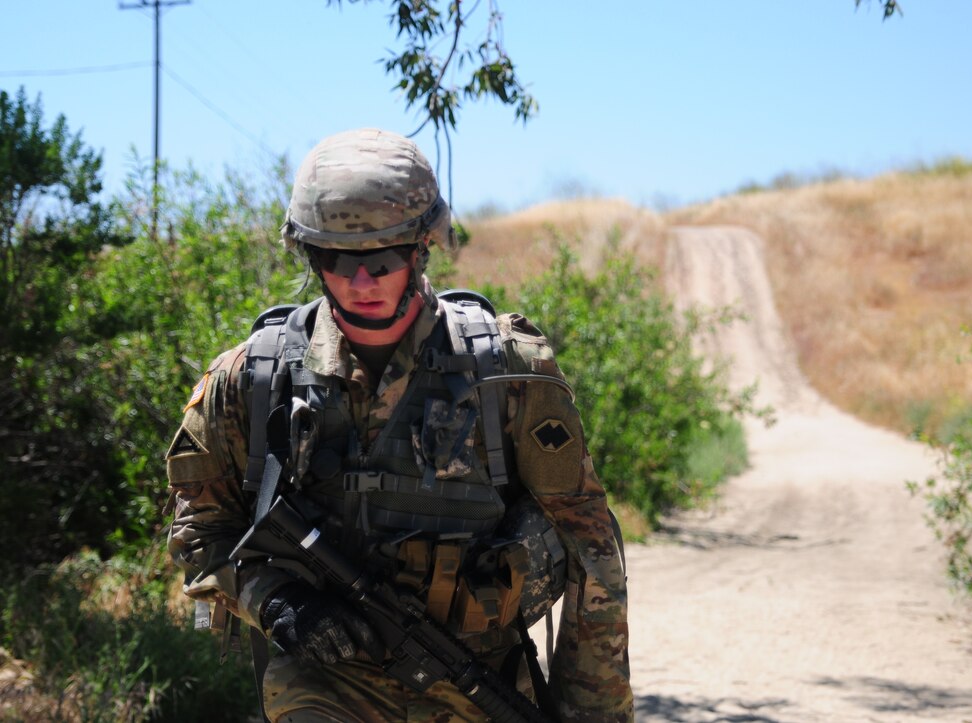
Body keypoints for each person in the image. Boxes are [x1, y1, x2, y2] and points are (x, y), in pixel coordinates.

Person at [165, 127, 633, 722]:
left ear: (421, 247)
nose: (362, 283)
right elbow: (200, 533)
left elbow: (590, 547)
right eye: (337, 260)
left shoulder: (507, 371)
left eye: (382, 260)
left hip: (478, 680)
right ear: (311, 256)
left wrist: (593, 714)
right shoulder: (253, 380)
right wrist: (279, 602)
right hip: (324, 686)